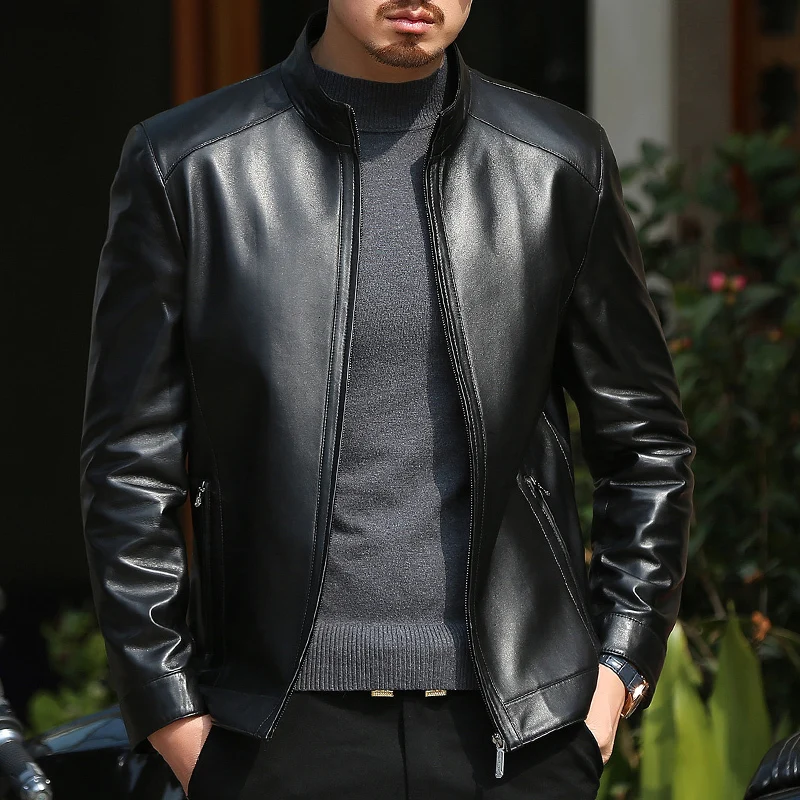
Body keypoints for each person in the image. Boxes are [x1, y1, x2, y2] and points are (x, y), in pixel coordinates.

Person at [79, 2, 696, 798]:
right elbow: (129, 465)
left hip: (520, 735)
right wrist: (171, 714)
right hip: (271, 733)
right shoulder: (190, 165)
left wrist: (617, 673)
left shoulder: (556, 163)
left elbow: (646, 442)